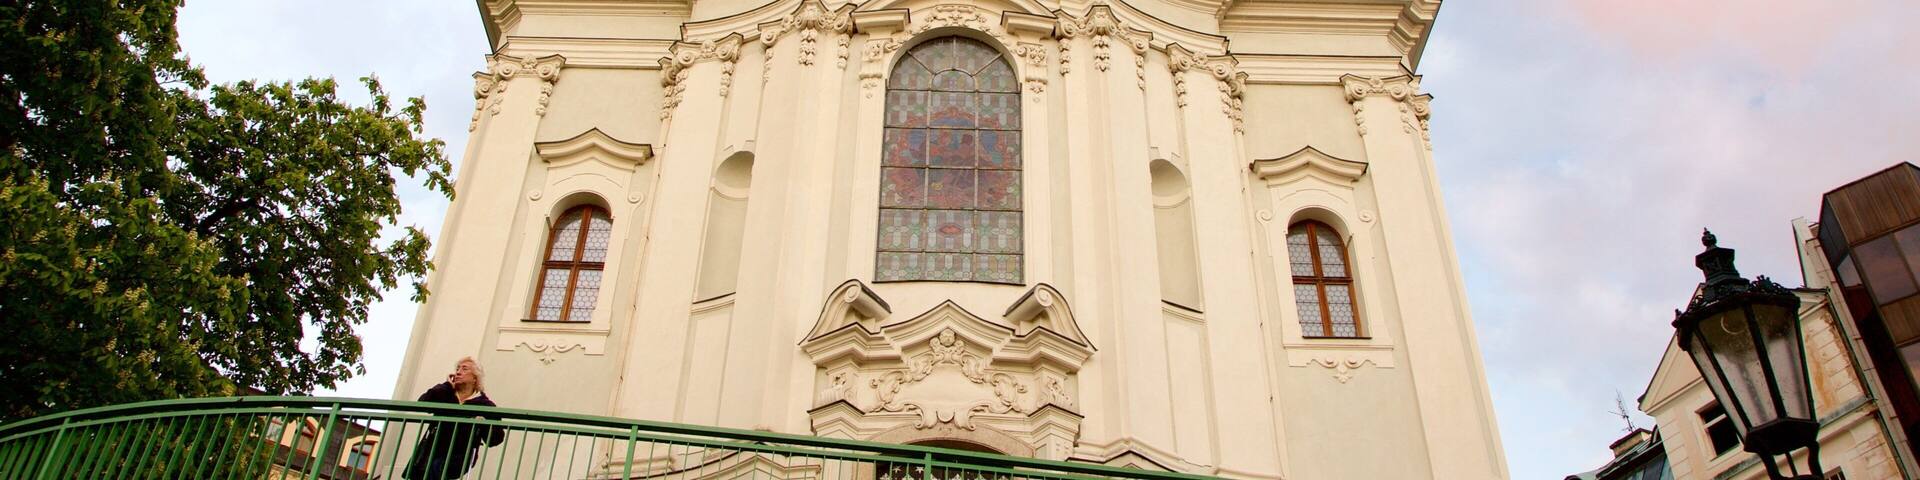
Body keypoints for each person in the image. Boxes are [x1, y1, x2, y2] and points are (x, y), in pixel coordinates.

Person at [403, 357, 505, 480]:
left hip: (460, 455)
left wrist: (484, 424)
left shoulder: (485, 405)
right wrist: (446, 385)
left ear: (475, 378)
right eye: (457, 369)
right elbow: (422, 404)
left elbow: (496, 439)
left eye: (464, 368)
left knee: (437, 468)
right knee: (426, 471)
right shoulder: (445, 394)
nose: (458, 372)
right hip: (432, 450)